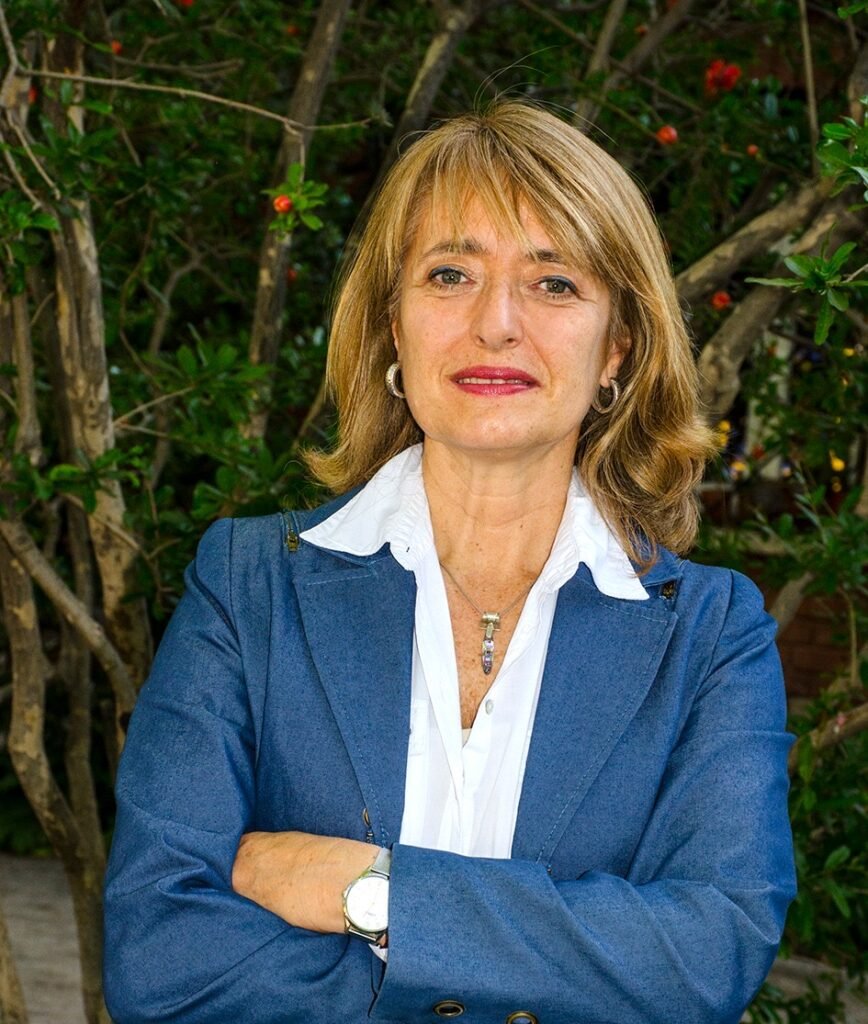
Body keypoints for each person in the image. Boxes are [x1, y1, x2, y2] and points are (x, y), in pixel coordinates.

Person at [103, 101, 796, 1024]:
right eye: (450, 274)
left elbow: (708, 956)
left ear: (617, 349)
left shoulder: (709, 636)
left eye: (553, 283)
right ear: (395, 325)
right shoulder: (247, 586)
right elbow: (160, 959)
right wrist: (556, 964)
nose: (496, 323)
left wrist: (377, 894)